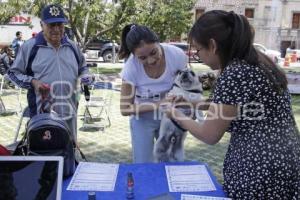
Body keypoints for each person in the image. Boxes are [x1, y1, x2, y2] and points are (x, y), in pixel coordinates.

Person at [163, 10, 300, 198]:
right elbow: (236, 107)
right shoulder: (258, 60)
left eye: (198, 50)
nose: (197, 56)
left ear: (212, 45)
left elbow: (209, 135)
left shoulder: (234, 74)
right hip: (285, 160)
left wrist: (174, 113)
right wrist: (192, 104)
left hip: (259, 169)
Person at [8, 4, 91, 141]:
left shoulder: (72, 46)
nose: (57, 29)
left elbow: (83, 68)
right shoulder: (30, 47)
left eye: (60, 24)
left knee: (70, 150)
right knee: (46, 154)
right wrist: (33, 82)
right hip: (42, 115)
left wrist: (85, 76)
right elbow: (13, 73)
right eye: (51, 25)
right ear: (42, 25)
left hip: (70, 111)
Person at [119, 24, 188, 163]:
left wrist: (181, 96)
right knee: (143, 163)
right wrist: (158, 104)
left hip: (169, 116)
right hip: (142, 118)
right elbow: (125, 109)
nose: (151, 61)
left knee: (170, 161)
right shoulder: (131, 68)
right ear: (134, 55)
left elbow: (186, 83)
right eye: (142, 58)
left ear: (158, 41)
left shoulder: (176, 55)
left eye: (153, 52)